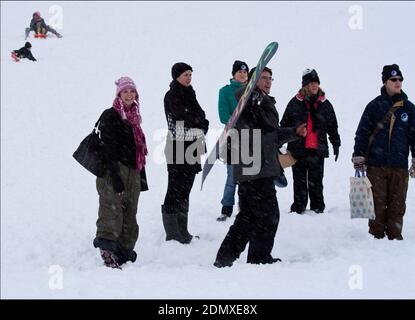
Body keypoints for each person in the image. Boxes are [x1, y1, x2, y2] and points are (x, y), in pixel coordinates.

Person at [214, 67, 307, 267]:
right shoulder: (247, 101)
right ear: (253, 81)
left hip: (259, 167)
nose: (267, 82)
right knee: (268, 215)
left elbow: (271, 134)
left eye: (270, 78)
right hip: (253, 167)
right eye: (263, 78)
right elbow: (249, 118)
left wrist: (294, 133)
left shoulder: (262, 102)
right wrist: (251, 99)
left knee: (248, 217)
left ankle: (226, 258)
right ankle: (258, 257)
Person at [353, 64, 415, 240]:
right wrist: (359, 157)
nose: (398, 82)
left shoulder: (409, 109)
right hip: (376, 165)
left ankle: (395, 239)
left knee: (397, 206)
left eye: (400, 79)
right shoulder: (374, 106)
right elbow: (362, 133)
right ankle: (376, 239)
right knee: (377, 207)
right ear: (385, 82)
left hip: (399, 166)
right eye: (393, 79)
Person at [92, 77, 149, 268]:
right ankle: (107, 250)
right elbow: (108, 149)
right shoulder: (111, 115)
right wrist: (115, 178)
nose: (129, 95)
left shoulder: (135, 119)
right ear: (119, 94)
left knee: (130, 214)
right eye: (125, 91)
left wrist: (140, 177)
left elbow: (138, 150)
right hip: (113, 171)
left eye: (132, 91)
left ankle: (123, 251)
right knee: (111, 210)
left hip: (133, 171)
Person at [280, 69, 341, 214]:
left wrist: (335, 143)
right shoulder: (294, 103)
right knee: (299, 182)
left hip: (317, 151)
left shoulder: (325, 104)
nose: (314, 85)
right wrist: (280, 143)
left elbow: (333, 126)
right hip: (298, 150)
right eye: (311, 82)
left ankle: (318, 208)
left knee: (317, 182)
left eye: (316, 82)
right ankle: (299, 208)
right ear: (305, 85)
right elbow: (284, 125)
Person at [162, 62, 209, 244]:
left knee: (186, 188)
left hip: (193, 144)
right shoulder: (171, 95)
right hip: (177, 146)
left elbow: (200, 114)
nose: (189, 78)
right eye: (185, 75)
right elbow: (182, 117)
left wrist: (200, 121)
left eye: (190, 74)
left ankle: (183, 230)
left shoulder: (191, 93)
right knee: (174, 188)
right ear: (176, 76)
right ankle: (173, 233)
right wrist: (199, 120)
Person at [217, 60, 249, 222]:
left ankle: (248, 207)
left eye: (245, 72)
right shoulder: (225, 92)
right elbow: (223, 116)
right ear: (233, 74)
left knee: (251, 175)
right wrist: (240, 121)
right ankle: (226, 208)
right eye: (240, 72)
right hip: (234, 139)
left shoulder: (252, 91)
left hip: (253, 139)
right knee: (232, 176)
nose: (243, 75)